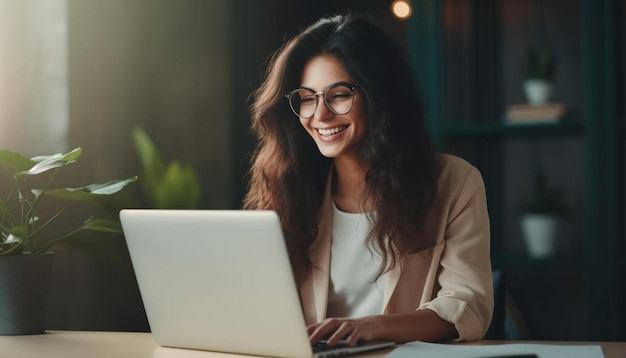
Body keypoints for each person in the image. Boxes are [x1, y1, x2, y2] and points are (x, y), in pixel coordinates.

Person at [243, 14, 493, 346]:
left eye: (339, 95)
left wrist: (375, 327)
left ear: (379, 96)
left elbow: (469, 306)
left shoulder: (454, 183)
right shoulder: (287, 189)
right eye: (306, 97)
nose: (320, 115)